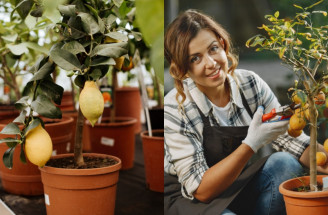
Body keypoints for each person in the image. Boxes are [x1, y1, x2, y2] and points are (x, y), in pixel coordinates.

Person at [164, 9, 328, 215]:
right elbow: (201, 191)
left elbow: (293, 141)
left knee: (284, 163)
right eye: (195, 59)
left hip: (237, 186)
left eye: (213, 49)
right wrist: (252, 144)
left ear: (223, 44)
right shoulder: (176, 107)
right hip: (191, 200)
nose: (211, 63)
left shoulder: (250, 84)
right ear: (182, 69)